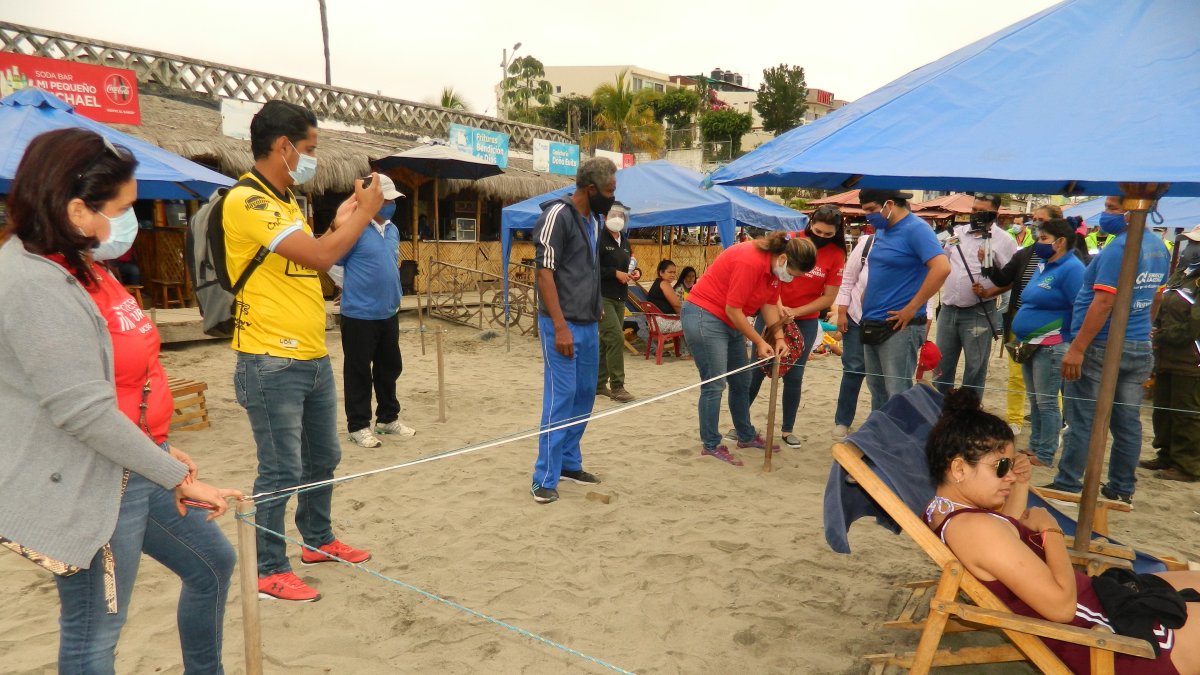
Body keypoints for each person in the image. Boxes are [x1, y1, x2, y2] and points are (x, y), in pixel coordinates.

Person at [0, 128, 241, 672]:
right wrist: (176, 477)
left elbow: (120, 379)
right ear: (77, 209)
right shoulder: (34, 282)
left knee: (210, 564)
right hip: (90, 482)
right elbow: (79, 409)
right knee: (94, 635)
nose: (124, 223)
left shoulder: (79, 264)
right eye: (121, 209)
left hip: (131, 464)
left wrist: (157, 450)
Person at [224, 100, 384, 600]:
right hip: (269, 357)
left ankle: (317, 540)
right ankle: (270, 567)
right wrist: (366, 217)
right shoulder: (247, 201)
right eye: (309, 149)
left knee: (324, 456)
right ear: (283, 146)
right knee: (280, 468)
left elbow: (312, 259)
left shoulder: (286, 200)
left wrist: (344, 221)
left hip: (311, 353)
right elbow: (320, 255)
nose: (311, 158)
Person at [924, 389, 1200, 675]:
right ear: (958, 468)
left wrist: (1018, 484)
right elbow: (1062, 608)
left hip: (1099, 603)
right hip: (1107, 639)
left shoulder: (945, 512)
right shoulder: (976, 529)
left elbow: (1005, 538)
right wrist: (1050, 531)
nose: (1008, 473)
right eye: (1000, 466)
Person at [1047, 196, 1171, 504]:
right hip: (1138, 344)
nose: (1105, 214)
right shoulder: (1158, 247)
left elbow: (1103, 302)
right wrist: (1142, 329)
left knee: (1083, 418)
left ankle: (1068, 483)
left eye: (1113, 208)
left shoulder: (1120, 248)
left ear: (1133, 212)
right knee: (1127, 421)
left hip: (1102, 345)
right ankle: (1121, 487)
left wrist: (1077, 348)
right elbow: (1156, 298)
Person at [681, 232, 817, 466]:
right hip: (705, 315)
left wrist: (779, 336)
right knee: (714, 383)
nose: (791, 279)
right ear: (783, 259)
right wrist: (760, 341)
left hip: (730, 318)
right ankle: (711, 444)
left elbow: (769, 302)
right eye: (792, 274)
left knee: (742, 381)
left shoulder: (774, 267)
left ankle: (745, 435)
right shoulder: (750, 260)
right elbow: (733, 309)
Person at [530, 157, 615, 504]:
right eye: (609, 191)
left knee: (584, 396)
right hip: (560, 325)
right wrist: (561, 327)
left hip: (587, 323)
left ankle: (568, 462)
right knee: (560, 397)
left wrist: (594, 312)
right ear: (590, 189)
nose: (613, 197)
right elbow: (544, 273)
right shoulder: (556, 216)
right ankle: (543, 477)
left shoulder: (594, 220)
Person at [748, 206, 846, 449]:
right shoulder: (791, 241)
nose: (821, 237)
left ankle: (787, 429)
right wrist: (778, 304)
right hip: (772, 311)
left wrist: (796, 312)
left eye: (827, 234)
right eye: (818, 231)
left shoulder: (836, 254)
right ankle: (740, 424)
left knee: (795, 375)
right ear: (810, 223)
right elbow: (770, 275)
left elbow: (828, 296)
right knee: (757, 370)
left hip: (806, 318)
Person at [332, 174, 416, 448]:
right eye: (386, 199)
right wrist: (345, 287)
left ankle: (387, 418)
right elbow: (331, 261)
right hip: (359, 314)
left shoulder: (392, 229)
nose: (391, 204)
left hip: (388, 311)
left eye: (393, 200)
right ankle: (358, 425)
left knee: (389, 368)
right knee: (358, 371)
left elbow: (387, 263)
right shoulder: (353, 228)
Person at [978, 204, 1067, 435]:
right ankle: (1015, 419)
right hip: (1020, 320)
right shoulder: (1025, 254)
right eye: (1033, 219)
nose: (1035, 224)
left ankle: (1052, 426)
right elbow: (1002, 279)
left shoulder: (1069, 259)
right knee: (1016, 373)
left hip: (1051, 325)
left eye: (1041, 220)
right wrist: (988, 262)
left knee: (1047, 380)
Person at [857, 189, 950, 405]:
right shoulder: (882, 230)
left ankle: (900, 437)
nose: (868, 216)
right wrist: (866, 295)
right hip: (872, 320)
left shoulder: (916, 229)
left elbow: (942, 268)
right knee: (877, 389)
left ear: (889, 204)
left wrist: (912, 307)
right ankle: (880, 436)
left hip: (900, 325)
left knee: (897, 392)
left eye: (871, 210)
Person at [1008, 218, 1085, 467]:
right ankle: (1036, 446)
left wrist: (1072, 343)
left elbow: (1081, 307)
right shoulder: (1044, 264)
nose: (1037, 243)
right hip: (1031, 342)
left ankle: (1046, 451)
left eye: (1043, 239)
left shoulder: (1072, 269)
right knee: (1035, 399)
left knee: (1047, 401)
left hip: (1052, 343)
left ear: (1060, 242)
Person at [933, 193, 1018, 394]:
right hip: (948, 309)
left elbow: (1011, 278)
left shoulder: (1004, 240)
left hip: (979, 311)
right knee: (941, 366)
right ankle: (940, 413)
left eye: (982, 211)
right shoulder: (956, 233)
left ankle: (969, 417)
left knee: (975, 367)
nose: (976, 214)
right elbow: (942, 260)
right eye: (974, 210)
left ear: (994, 214)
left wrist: (990, 291)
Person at [1143, 238, 1200, 483]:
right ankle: (1166, 454)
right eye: (1189, 243)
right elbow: (1163, 305)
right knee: (1163, 408)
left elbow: (1194, 325)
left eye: (1195, 244)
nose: (1189, 249)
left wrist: (1164, 335)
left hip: (1190, 359)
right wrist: (1156, 329)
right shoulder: (1181, 274)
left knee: (1185, 412)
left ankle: (1188, 464)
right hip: (1167, 355)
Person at [596, 202, 637, 403]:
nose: (617, 218)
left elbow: (630, 265)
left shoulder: (626, 242)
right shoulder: (598, 239)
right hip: (602, 296)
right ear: (605, 217)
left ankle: (598, 383)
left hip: (621, 296)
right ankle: (618, 387)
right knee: (615, 338)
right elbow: (592, 268)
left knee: (606, 340)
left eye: (621, 215)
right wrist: (614, 273)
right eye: (614, 214)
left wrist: (635, 273)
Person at [646, 258, 684, 333]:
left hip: (653, 322)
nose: (673, 275)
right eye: (670, 272)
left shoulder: (657, 283)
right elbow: (677, 305)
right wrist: (684, 316)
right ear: (661, 272)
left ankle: (680, 345)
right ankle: (684, 345)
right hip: (662, 322)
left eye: (674, 272)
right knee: (693, 324)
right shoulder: (664, 284)